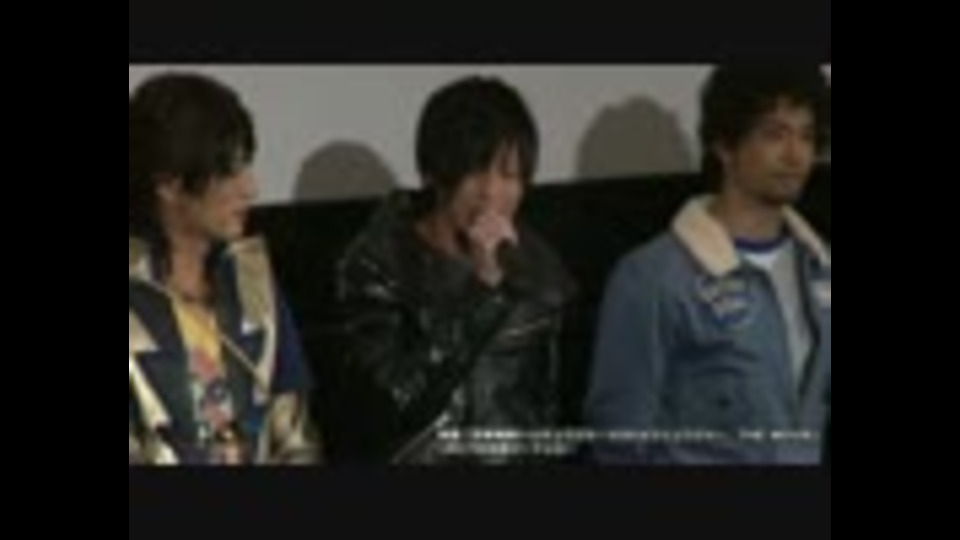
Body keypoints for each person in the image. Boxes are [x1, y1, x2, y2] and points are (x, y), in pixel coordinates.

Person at [586, 65, 831, 464]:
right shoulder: (651, 277)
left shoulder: (819, 266)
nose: (795, 155)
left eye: (806, 135)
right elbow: (619, 442)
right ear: (725, 145)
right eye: (775, 134)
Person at [334, 75, 576, 464]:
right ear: (435, 173)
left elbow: (543, 416)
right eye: (476, 172)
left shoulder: (539, 267)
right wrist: (482, 292)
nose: (491, 193)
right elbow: (392, 406)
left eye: (508, 175)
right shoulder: (380, 266)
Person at [129, 72, 321, 465]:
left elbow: (296, 437)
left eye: (246, 166)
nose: (250, 188)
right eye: (228, 172)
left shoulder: (252, 282)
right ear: (168, 184)